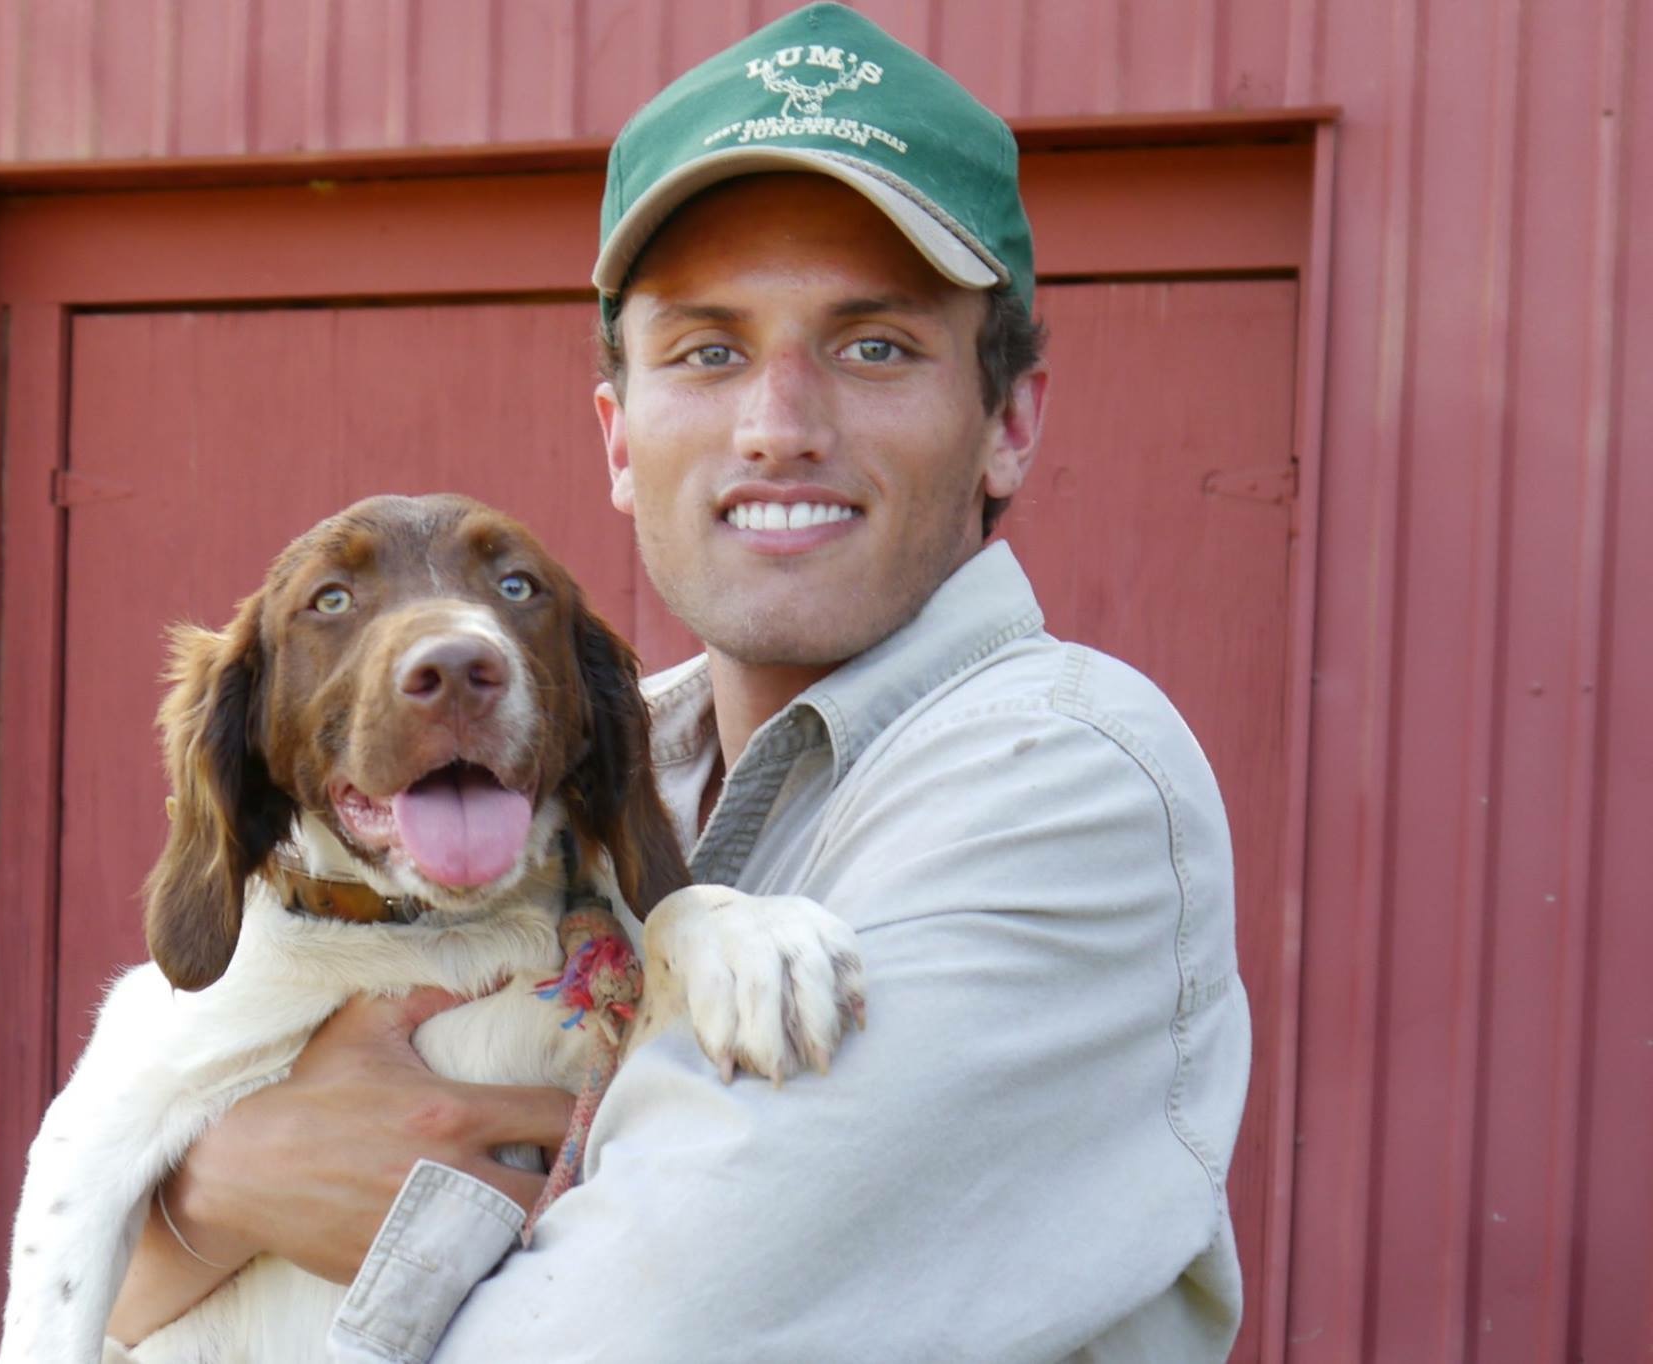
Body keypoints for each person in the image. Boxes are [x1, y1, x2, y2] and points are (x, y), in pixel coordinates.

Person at [107, 4, 1252, 1359]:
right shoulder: (563, 770)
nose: (778, 426)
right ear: (617, 430)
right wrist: (210, 1197)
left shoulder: (1059, 787)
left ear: (1007, 422)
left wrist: (225, 1222)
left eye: (873, 345)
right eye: (707, 352)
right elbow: (102, 1278)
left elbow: (623, 1338)